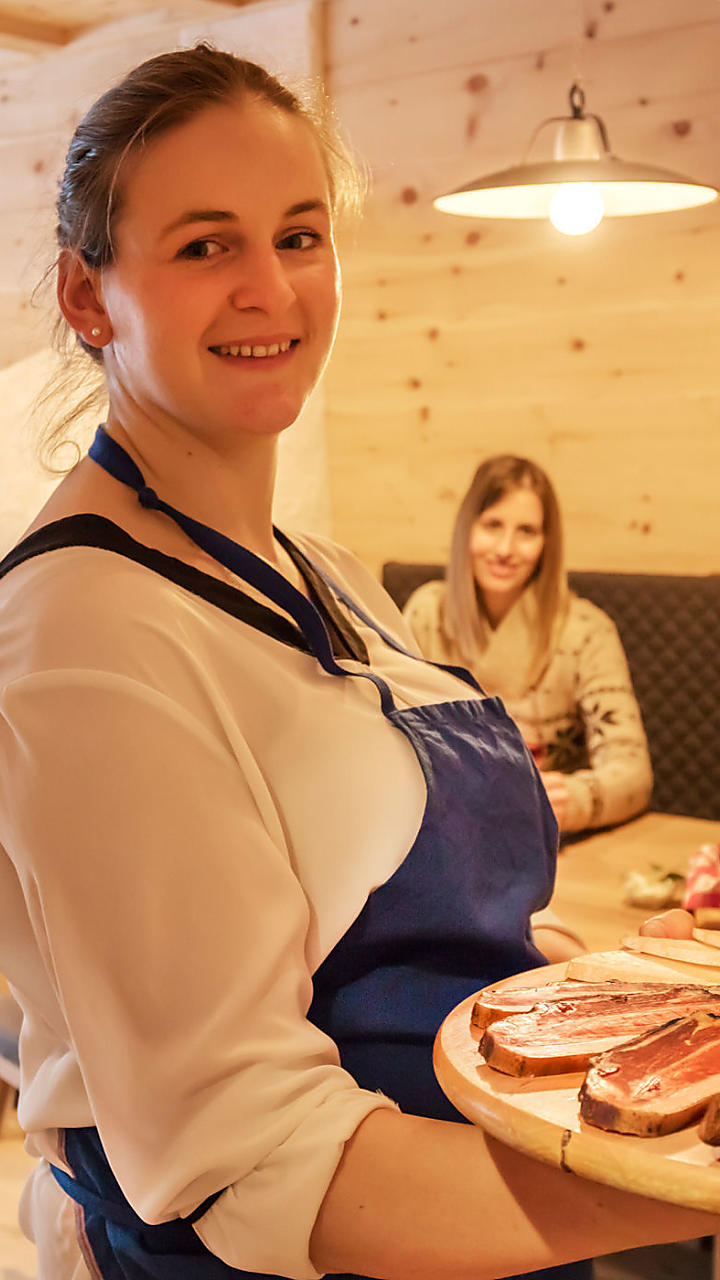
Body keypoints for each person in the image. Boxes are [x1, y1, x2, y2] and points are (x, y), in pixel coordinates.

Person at [0, 44, 713, 1280]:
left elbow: (464, 946)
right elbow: (258, 1159)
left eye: (299, 233)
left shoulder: (324, 571)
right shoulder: (81, 634)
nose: (270, 286)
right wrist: (673, 1190)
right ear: (86, 296)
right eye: (204, 244)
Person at [403, 456, 653, 835]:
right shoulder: (425, 615)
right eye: (492, 525)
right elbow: (393, 740)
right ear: (466, 529)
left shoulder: (586, 631)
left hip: (548, 836)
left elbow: (633, 772)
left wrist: (573, 799)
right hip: (447, 832)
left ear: (546, 543)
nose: (505, 548)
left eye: (527, 531)